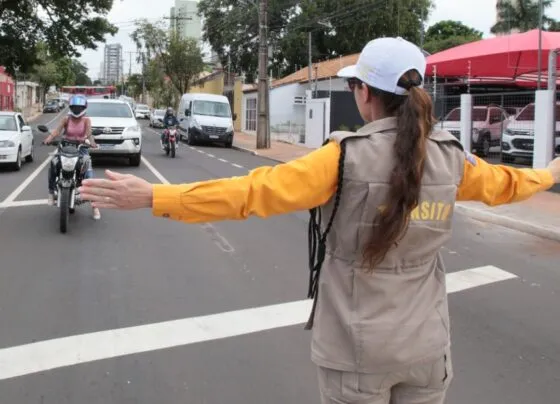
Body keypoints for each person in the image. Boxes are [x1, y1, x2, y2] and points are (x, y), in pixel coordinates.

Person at [79, 37, 560, 403]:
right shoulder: (454, 159)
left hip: (357, 354)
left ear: (363, 93)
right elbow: (508, 184)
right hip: (428, 352)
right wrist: (550, 173)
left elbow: (252, 193)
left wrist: (156, 197)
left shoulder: (342, 158)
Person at [44, 95, 101, 221]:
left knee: (89, 175)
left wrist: (93, 143)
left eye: (79, 107)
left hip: (81, 148)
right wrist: (48, 139)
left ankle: (95, 206)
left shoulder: (86, 120)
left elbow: (89, 134)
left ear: (83, 108)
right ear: (71, 107)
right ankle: (51, 193)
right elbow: (57, 131)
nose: (76, 110)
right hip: (65, 148)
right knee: (54, 164)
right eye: (74, 107)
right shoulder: (66, 119)